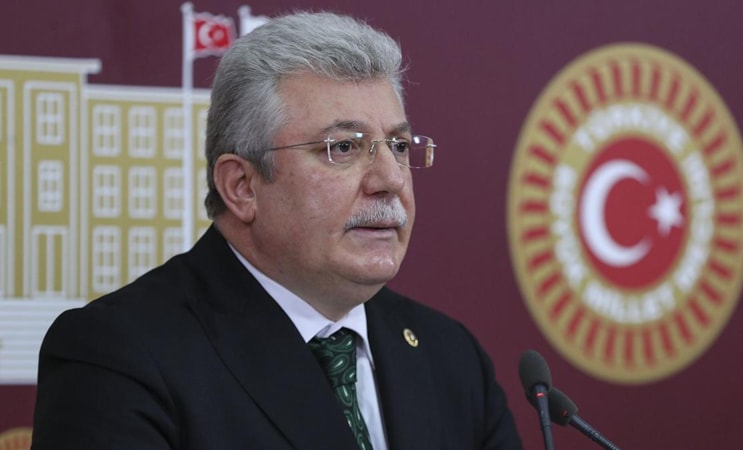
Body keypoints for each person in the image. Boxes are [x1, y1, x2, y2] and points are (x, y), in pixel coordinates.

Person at [31, 11, 523, 450]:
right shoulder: (120, 357)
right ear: (242, 186)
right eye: (344, 148)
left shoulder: (449, 355)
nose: (391, 179)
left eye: (397, 146)